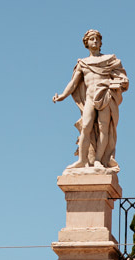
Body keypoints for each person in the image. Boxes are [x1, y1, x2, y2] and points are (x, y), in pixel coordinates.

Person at [51, 30, 130, 169]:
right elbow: (74, 83)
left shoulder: (109, 60)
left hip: (105, 96)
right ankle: (82, 160)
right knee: (86, 127)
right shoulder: (83, 63)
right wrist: (62, 95)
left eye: (97, 39)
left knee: (103, 128)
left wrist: (122, 82)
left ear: (100, 43)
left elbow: (123, 78)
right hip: (90, 98)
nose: (95, 41)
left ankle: (99, 160)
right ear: (86, 43)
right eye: (92, 39)